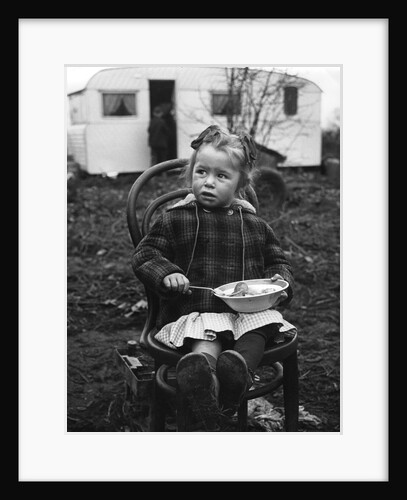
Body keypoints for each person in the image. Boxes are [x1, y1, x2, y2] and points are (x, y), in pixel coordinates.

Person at [132, 125, 296, 430]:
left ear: (239, 184)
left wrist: (279, 282)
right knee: (205, 340)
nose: (208, 182)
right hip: (199, 307)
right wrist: (167, 273)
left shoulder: (254, 224)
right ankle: (203, 377)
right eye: (202, 172)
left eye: (221, 176)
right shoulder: (176, 218)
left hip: (248, 310)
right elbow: (145, 255)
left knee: (260, 327)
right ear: (191, 172)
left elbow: (278, 262)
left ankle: (236, 374)